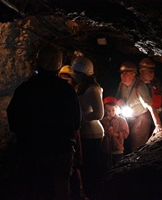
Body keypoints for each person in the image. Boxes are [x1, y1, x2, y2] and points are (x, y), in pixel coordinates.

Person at [7, 43, 80, 200]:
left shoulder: (25, 89)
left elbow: (13, 118)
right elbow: (76, 122)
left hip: (32, 150)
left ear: (38, 62)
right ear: (58, 64)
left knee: (34, 188)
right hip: (60, 150)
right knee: (61, 188)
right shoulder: (66, 90)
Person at [72, 56, 104, 198]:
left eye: (76, 72)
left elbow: (99, 113)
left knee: (91, 166)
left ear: (83, 74)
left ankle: (95, 193)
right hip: (85, 132)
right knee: (86, 166)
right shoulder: (81, 87)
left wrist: (82, 118)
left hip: (93, 133)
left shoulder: (93, 89)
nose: (74, 75)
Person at [116, 61, 162, 154]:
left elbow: (150, 106)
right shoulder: (121, 84)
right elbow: (117, 98)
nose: (123, 76)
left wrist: (158, 125)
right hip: (129, 116)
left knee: (137, 145)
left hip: (141, 118)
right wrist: (118, 102)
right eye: (121, 73)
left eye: (126, 73)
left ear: (133, 75)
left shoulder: (140, 87)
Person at [58, 64, 86, 200]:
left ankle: (79, 194)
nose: (64, 84)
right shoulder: (56, 95)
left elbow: (77, 123)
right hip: (62, 141)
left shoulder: (72, 96)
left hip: (72, 137)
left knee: (76, 167)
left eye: (67, 80)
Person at [100, 96, 129, 174]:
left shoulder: (121, 120)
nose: (111, 113)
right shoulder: (103, 121)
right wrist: (106, 132)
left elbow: (125, 133)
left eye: (113, 110)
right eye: (108, 111)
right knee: (107, 169)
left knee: (119, 169)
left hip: (118, 150)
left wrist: (114, 134)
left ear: (117, 109)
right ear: (105, 110)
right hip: (106, 150)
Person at [139, 57, 162, 125]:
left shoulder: (156, 81)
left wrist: (160, 109)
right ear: (142, 71)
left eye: (153, 71)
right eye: (150, 71)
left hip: (157, 114)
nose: (152, 74)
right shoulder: (137, 83)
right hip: (142, 117)